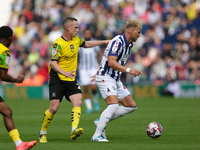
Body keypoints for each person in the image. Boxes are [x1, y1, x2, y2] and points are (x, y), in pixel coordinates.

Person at [38, 17, 109, 143]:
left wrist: (103, 42)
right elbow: (53, 63)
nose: (78, 30)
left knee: (78, 101)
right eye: (76, 27)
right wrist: (65, 72)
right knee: (54, 108)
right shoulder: (58, 44)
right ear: (68, 28)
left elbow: (86, 44)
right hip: (57, 78)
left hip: (70, 79)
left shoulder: (76, 40)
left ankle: (74, 130)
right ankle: (42, 132)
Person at [91, 19, 143, 142]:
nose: (140, 35)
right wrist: (129, 70)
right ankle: (96, 135)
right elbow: (111, 62)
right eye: (139, 32)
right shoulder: (118, 41)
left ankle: (101, 121)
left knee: (131, 106)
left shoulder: (129, 44)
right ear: (132, 31)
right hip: (106, 77)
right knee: (113, 104)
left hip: (114, 78)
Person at [0, 26, 37, 150]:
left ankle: (19, 144)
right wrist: (17, 79)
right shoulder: (4, 51)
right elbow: (3, 76)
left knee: (7, 111)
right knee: (7, 111)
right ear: (10, 38)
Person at [78, 29, 101, 114]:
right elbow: (76, 55)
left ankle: (95, 100)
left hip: (93, 68)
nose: (87, 34)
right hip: (83, 69)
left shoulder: (94, 42)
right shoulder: (80, 42)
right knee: (86, 88)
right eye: (86, 33)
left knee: (94, 87)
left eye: (89, 33)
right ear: (84, 34)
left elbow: (99, 54)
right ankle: (89, 107)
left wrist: (100, 64)